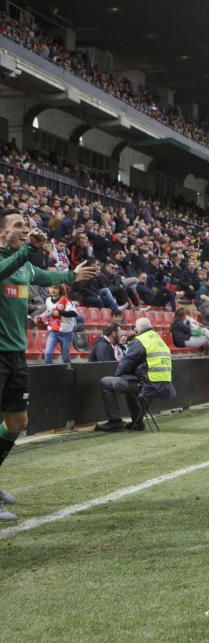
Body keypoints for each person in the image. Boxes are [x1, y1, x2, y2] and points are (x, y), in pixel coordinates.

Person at [0, 209, 98, 522]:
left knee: (17, 423)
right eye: (18, 225)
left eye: (26, 225)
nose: (24, 229)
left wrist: (71, 276)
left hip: (16, 353)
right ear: (1, 232)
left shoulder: (25, 266)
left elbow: (45, 277)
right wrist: (31, 247)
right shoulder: (7, 261)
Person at [95, 317, 176, 432]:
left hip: (147, 385)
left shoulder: (140, 340)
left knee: (105, 382)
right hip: (164, 386)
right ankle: (137, 423)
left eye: (135, 329)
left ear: (138, 330)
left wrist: (118, 375)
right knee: (130, 384)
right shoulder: (159, 340)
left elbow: (126, 362)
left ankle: (115, 422)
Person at [37, 284, 78, 364]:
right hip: (53, 331)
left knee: (65, 357)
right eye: (51, 287)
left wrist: (60, 313)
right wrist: (40, 318)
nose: (52, 290)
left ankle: (68, 373)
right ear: (48, 289)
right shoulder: (48, 300)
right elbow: (49, 313)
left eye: (55, 288)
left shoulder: (65, 300)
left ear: (60, 289)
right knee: (48, 354)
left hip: (66, 332)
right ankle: (49, 373)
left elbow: (74, 313)